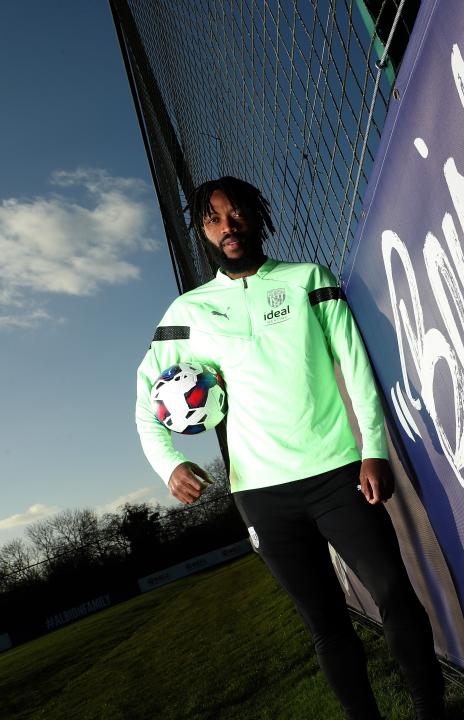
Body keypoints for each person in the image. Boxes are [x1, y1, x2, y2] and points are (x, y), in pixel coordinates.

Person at [134, 176, 445, 720]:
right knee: (325, 623)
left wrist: (373, 448)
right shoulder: (188, 311)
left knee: (394, 593)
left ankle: (431, 712)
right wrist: (169, 463)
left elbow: (354, 365)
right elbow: (146, 401)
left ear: (256, 215)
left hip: (338, 474)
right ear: (203, 231)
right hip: (260, 492)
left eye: (236, 214)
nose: (227, 226)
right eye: (213, 219)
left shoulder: (307, 281)